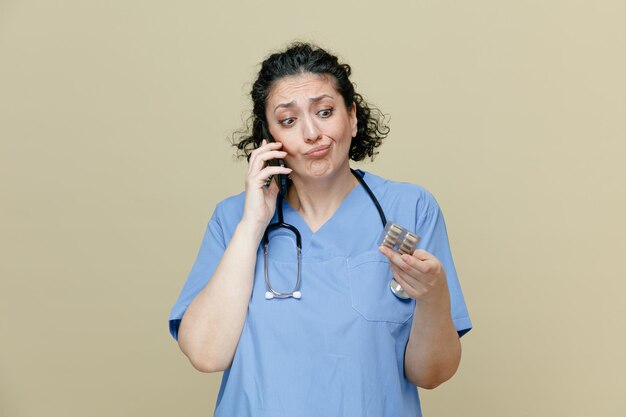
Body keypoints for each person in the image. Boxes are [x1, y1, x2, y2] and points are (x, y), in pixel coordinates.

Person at [169, 42, 472, 417]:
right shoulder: (232, 218)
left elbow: (431, 373)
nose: (312, 133)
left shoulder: (409, 209)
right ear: (270, 139)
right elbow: (205, 355)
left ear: (353, 117)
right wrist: (252, 226)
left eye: (325, 112)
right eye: (288, 120)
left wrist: (433, 295)